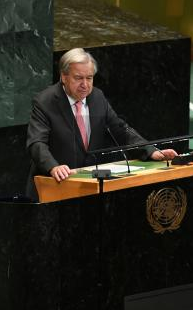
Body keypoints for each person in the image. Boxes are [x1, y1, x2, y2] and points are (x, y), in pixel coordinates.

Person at [26, 48, 177, 200]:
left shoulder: (97, 97)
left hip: (90, 187)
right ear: (64, 77)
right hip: (53, 188)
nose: (85, 84)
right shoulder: (45, 102)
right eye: (78, 78)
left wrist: (151, 151)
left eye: (89, 78)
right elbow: (36, 143)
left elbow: (120, 130)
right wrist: (53, 166)